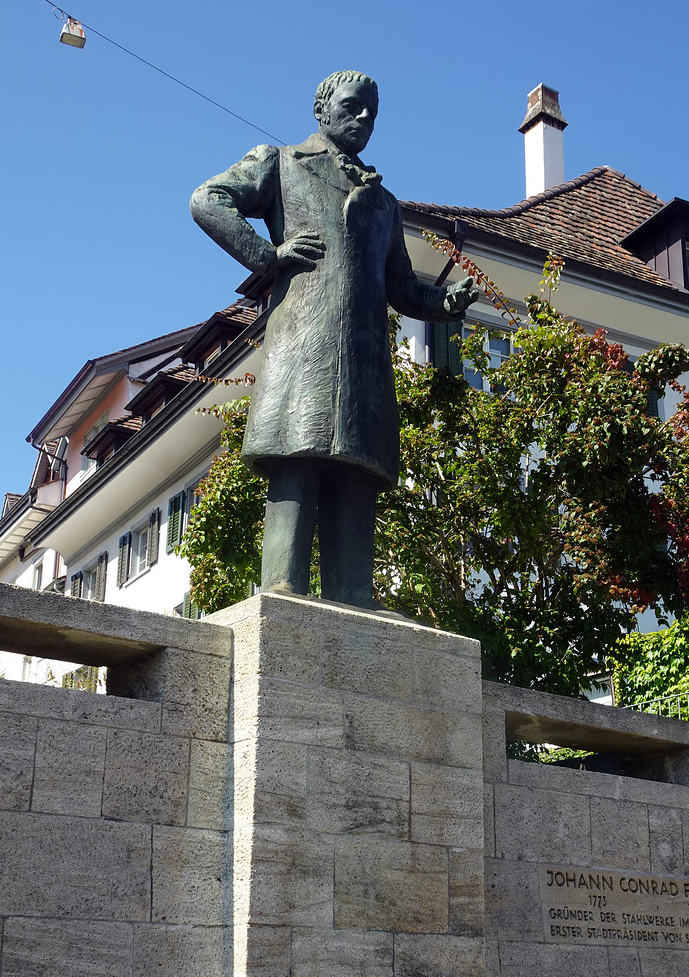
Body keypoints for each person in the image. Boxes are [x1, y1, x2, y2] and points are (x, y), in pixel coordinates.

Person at [191, 71, 478, 608]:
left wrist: (443, 303)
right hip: (304, 342)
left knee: (355, 470)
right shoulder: (281, 162)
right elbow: (208, 199)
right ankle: (283, 589)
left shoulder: (384, 202)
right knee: (297, 461)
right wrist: (266, 258)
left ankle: (353, 593)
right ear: (322, 110)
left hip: (364, 355)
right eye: (354, 106)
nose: (366, 116)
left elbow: (401, 286)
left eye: (374, 109)